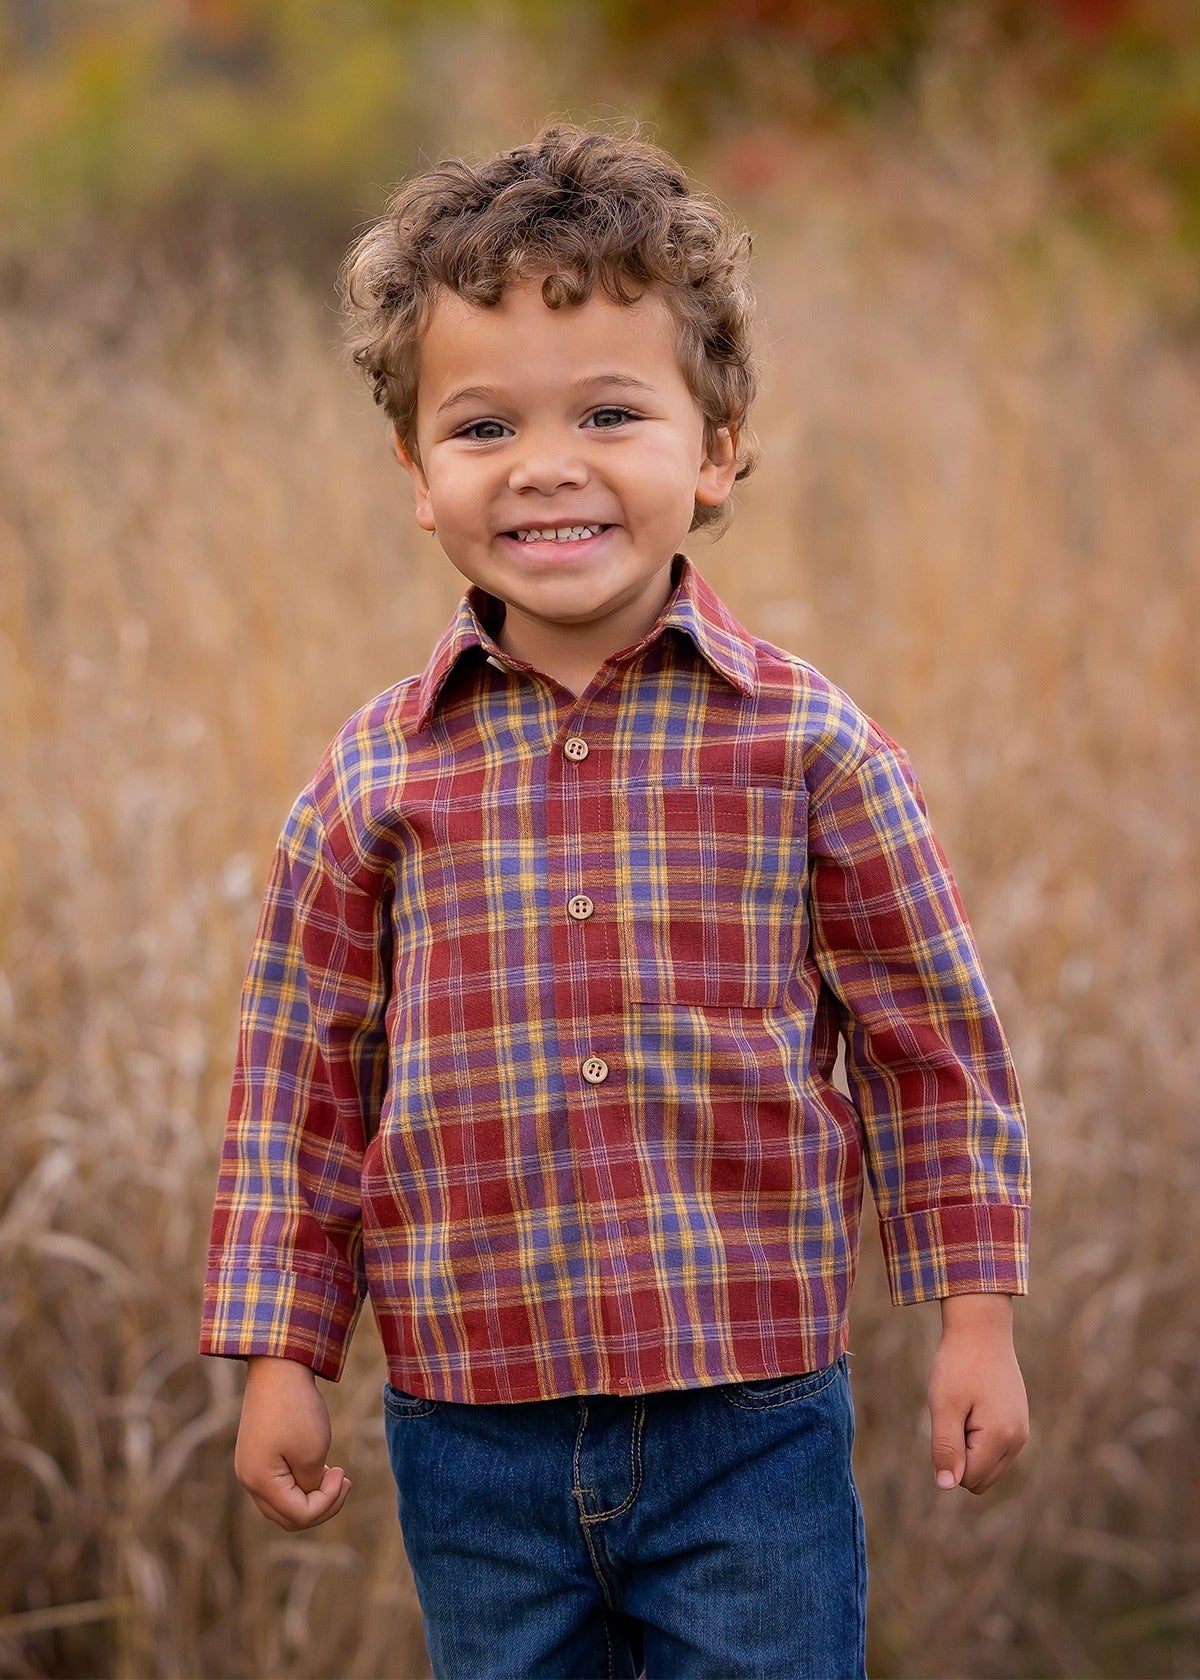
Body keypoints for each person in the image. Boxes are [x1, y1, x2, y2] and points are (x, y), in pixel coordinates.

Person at [200, 124, 1031, 1680]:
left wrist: (974, 1320)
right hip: (471, 1426)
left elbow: (932, 1045)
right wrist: (281, 1353)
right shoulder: (372, 780)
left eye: (609, 411)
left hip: (751, 1418)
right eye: (482, 425)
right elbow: (301, 1083)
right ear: (418, 476)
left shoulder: (809, 746)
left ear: (714, 449)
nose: (546, 463)